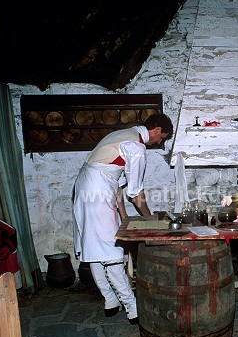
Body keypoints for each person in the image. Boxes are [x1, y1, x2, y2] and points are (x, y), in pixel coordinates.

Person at [72, 114, 174, 324]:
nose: (159, 142)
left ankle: (110, 301)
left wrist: (123, 216)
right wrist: (152, 219)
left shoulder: (122, 135)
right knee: (111, 249)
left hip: (83, 186)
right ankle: (132, 308)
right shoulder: (136, 146)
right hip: (98, 190)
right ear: (156, 130)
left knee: (93, 246)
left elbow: (117, 185)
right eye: (162, 137)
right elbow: (135, 193)